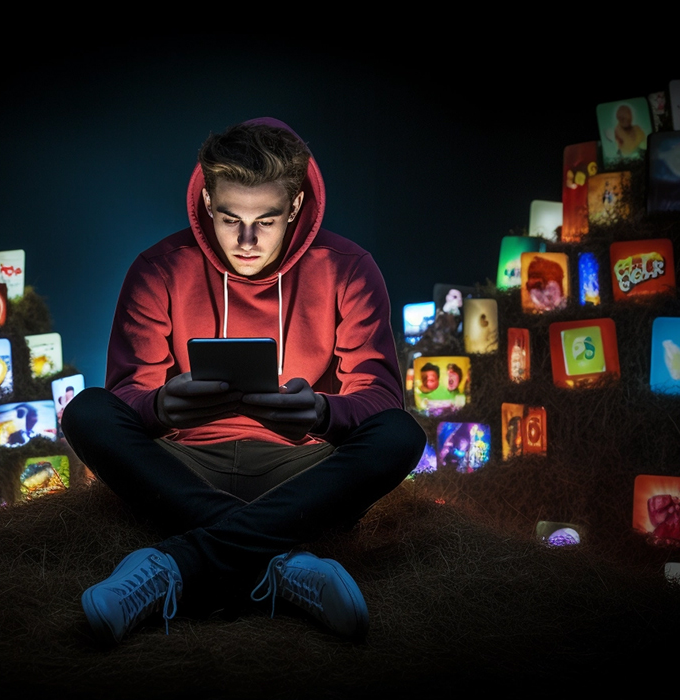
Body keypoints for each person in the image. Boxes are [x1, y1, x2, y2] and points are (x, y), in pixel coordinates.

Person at [62, 118, 425, 646]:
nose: (247, 241)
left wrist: (322, 413)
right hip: (184, 466)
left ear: (296, 206)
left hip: (302, 468)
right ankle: (283, 562)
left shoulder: (349, 268)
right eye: (230, 218)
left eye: (267, 220)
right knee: (86, 411)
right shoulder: (157, 268)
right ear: (207, 200)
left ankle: (171, 566)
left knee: (401, 432)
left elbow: (380, 397)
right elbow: (121, 399)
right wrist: (161, 408)